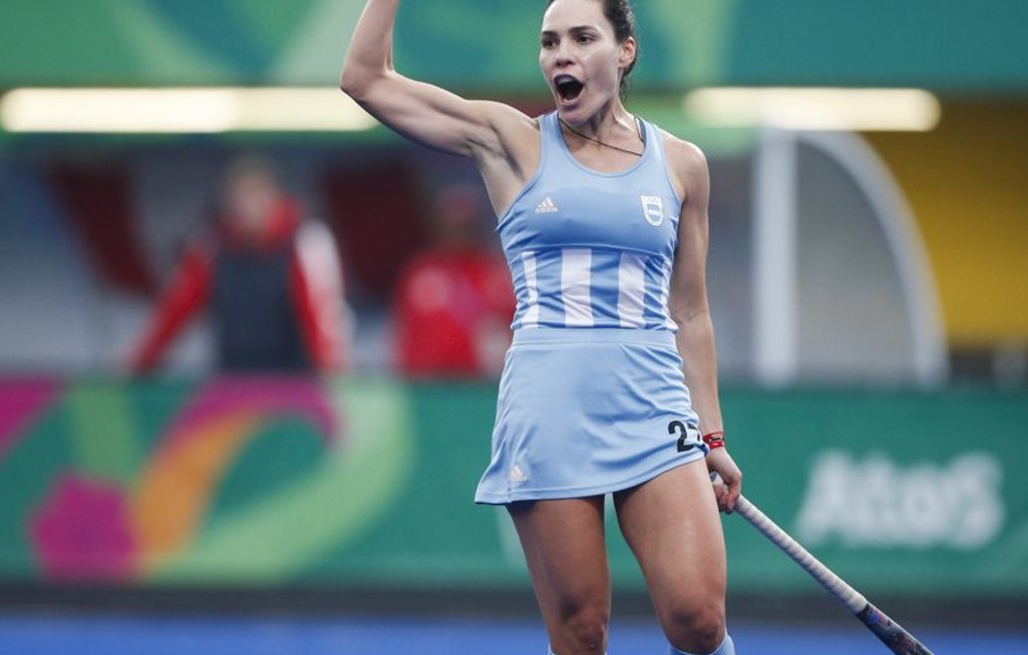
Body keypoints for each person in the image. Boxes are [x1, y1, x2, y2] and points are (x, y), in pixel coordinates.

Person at [341, 1, 743, 653]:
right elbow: (365, 78)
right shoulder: (511, 140)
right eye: (549, 41)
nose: (561, 53)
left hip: (653, 406)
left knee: (699, 618)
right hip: (550, 409)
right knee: (582, 633)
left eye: (583, 37)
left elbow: (692, 312)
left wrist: (712, 431)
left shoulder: (682, 165)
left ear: (625, 51)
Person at [128, 156, 351, 376]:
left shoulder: (305, 241)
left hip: (293, 385)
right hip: (232, 385)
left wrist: (334, 384)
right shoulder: (210, 246)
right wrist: (134, 369)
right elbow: (172, 316)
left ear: (274, 197)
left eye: (257, 196)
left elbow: (323, 326)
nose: (249, 207)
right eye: (242, 198)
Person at [392, 184, 516, 379]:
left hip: (483, 385)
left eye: (465, 224)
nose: (458, 230)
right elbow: (406, 337)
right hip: (431, 386)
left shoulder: (497, 272)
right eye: (450, 222)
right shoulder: (420, 272)